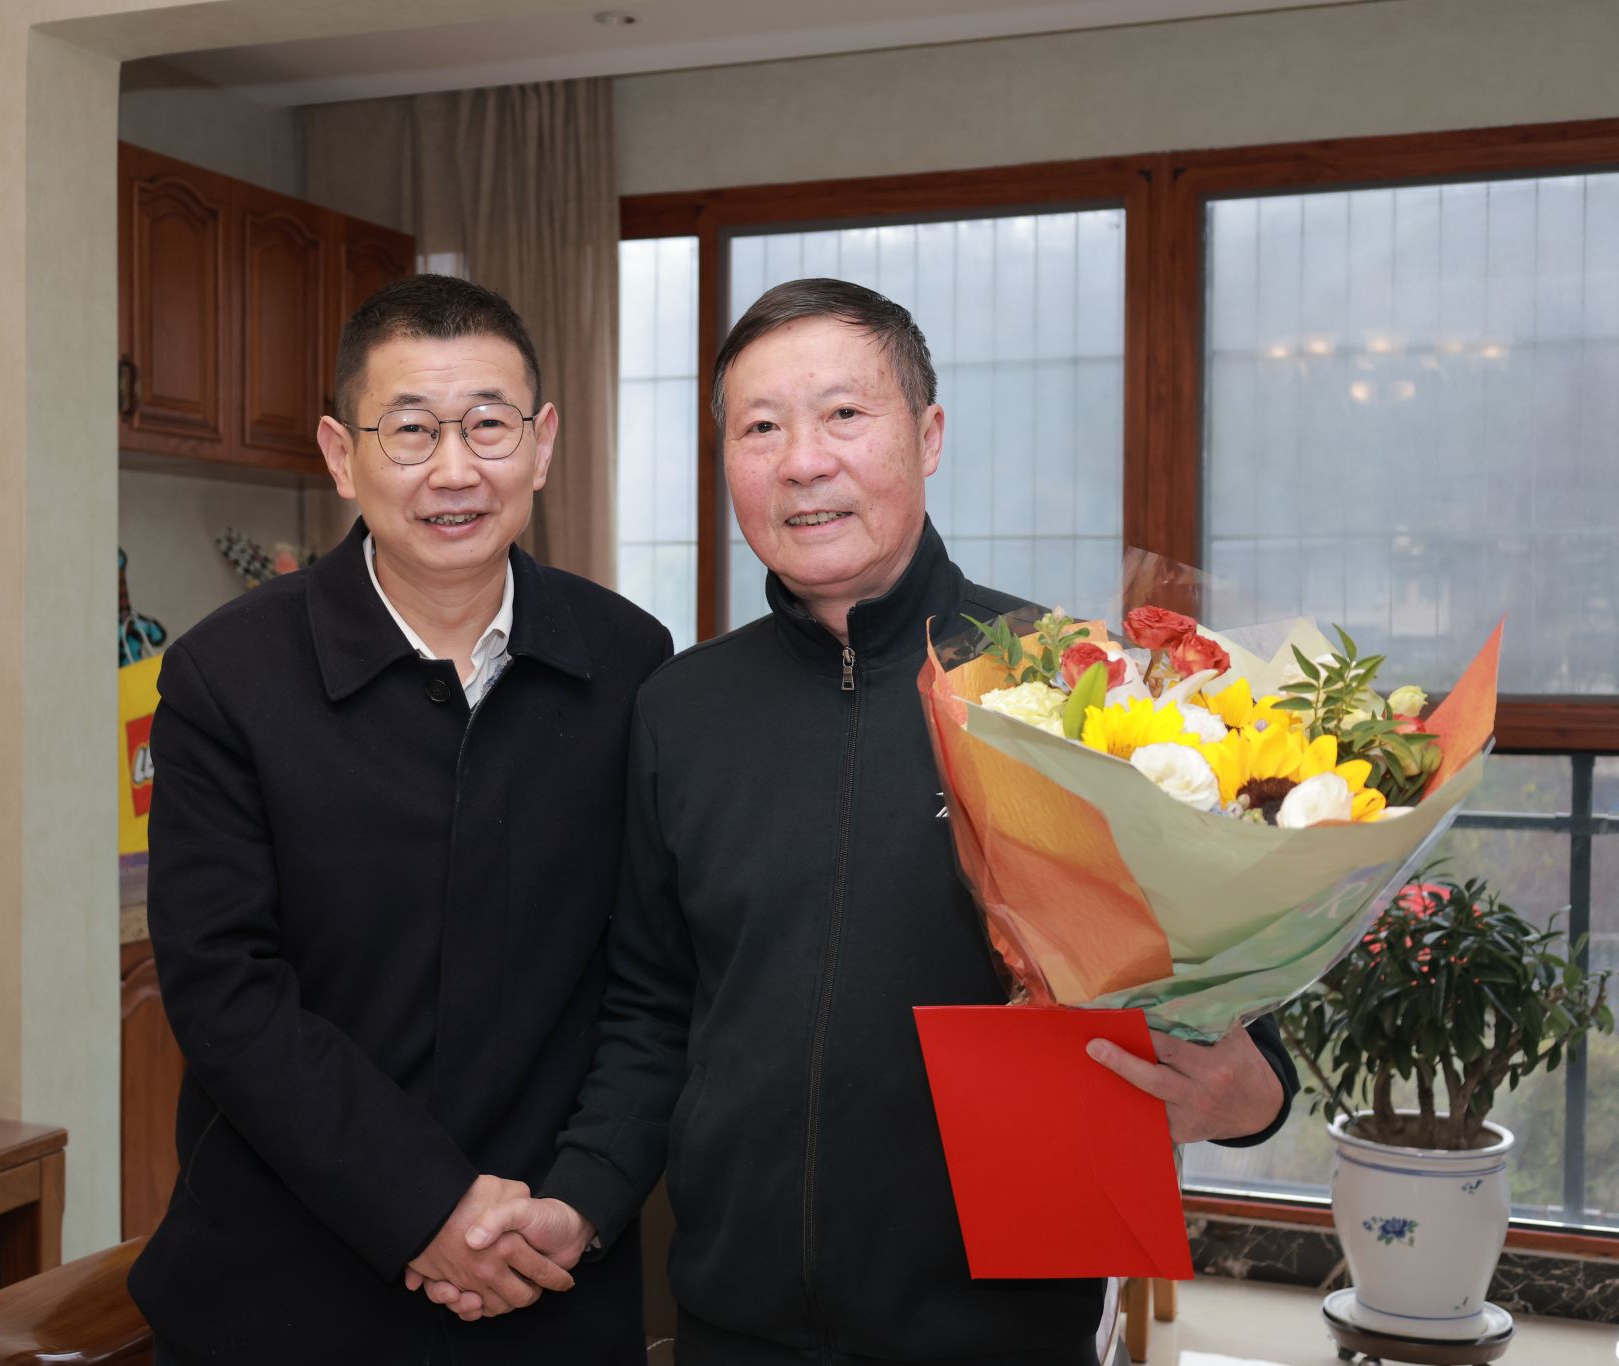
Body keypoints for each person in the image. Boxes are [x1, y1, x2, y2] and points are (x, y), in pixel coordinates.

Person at [434, 279, 1298, 1364]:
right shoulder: (680, 708)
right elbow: (653, 1010)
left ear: (927, 436)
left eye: (843, 413)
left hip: (1000, 1334)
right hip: (732, 1329)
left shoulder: (1071, 686)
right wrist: (583, 1198)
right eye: (760, 427)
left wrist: (1255, 1093)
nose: (802, 461)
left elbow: (1215, 990)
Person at [127, 274, 671, 1364]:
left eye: (488, 426)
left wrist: (581, 1197)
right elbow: (227, 991)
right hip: (284, 1290)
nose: (455, 470)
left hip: (547, 1278)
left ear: (542, 443)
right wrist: (427, 1205)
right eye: (411, 430)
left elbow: (651, 982)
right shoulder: (226, 677)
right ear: (341, 455)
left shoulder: (630, 662)